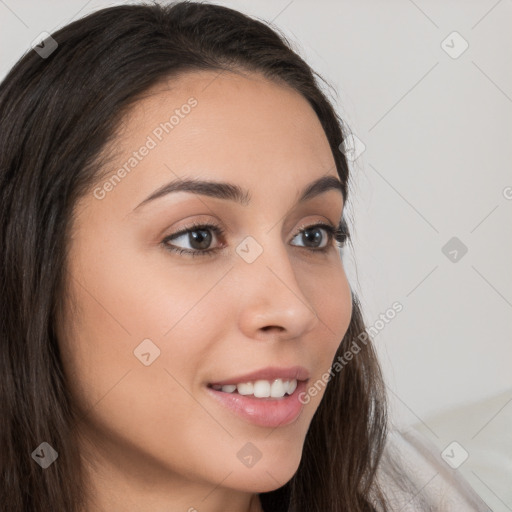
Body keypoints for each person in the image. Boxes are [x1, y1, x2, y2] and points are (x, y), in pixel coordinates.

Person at [0, 2, 490, 511]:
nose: (293, 309)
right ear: (30, 265)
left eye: (314, 235)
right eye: (198, 238)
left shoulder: (421, 493)